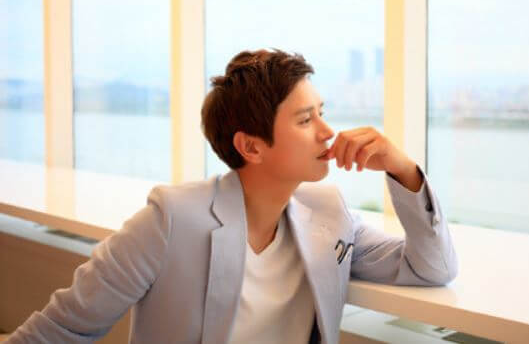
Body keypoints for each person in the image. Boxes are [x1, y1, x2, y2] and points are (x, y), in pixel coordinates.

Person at [7, 49, 458, 344]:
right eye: (305, 120)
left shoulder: (329, 212)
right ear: (251, 147)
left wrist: (403, 169)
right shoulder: (171, 219)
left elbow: (432, 268)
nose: (327, 132)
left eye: (322, 113)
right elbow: (61, 329)